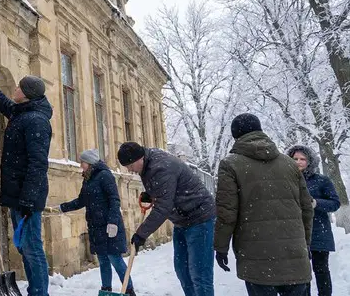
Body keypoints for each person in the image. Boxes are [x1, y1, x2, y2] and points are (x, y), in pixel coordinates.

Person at [214, 114, 314, 296]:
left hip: (256, 256)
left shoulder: (231, 165)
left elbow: (227, 212)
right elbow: (307, 207)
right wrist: (305, 243)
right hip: (294, 254)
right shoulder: (289, 164)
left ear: (236, 136)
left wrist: (221, 246)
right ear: (260, 131)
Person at [117, 141, 215, 296]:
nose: (129, 170)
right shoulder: (147, 165)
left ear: (139, 158)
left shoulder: (160, 167)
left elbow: (163, 207)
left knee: (199, 274)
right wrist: (151, 194)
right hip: (181, 220)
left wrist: (142, 233)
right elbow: (165, 190)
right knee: (182, 270)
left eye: (129, 165)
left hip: (199, 217)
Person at [0, 75, 52, 296]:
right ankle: (35, 291)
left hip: (26, 197)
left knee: (32, 248)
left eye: (18, 86)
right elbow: (6, 104)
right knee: (26, 248)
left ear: (26, 94)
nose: (14, 88)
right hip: (20, 194)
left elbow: (38, 163)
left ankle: (39, 293)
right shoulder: (23, 113)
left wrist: (27, 198)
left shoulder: (35, 120)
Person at [57, 149, 135, 296]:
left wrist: (112, 222)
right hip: (96, 227)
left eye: (82, 162)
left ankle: (129, 290)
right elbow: (81, 201)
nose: (80, 165)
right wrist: (62, 207)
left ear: (90, 162)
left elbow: (114, 199)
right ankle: (106, 290)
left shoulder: (105, 176)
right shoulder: (88, 178)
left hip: (108, 226)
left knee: (115, 259)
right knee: (103, 260)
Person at [286, 145, 340, 296]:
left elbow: (335, 203)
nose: (298, 162)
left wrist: (316, 203)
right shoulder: (285, 181)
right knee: (301, 274)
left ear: (310, 161)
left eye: (302, 159)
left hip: (319, 233)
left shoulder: (322, 180)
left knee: (321, 270)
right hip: (295, 234)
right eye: (295, 159)